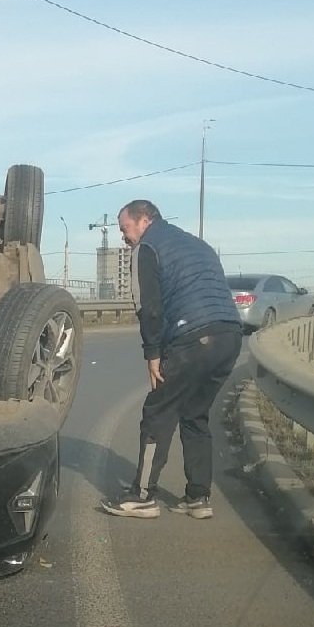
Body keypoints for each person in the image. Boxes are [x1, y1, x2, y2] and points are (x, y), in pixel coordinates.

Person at [100, 199, 243, 520]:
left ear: (144, 220)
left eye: (125, 229)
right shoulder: (197, 244)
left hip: (193, 337)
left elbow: (149, 307)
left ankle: (141, 496)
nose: (124, 237)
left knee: (158, 412)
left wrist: (153, 354)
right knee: (195, 414)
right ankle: (198, 497)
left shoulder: (147, 248)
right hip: (230, 335)